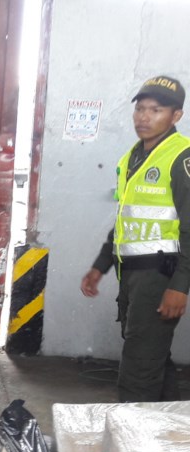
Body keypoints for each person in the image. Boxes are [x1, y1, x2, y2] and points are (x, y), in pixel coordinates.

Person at [80, 75, 190, 403]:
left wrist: (179, 286)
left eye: (155, 110)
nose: (144, 117)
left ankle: (129, 447)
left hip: (161, 275)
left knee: (138, 368)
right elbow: (126, 220)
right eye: (140, 109)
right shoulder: (133, 157)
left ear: (176, 116)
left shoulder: (181, 158)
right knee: (151, 357)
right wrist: (101, 265)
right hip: (132, 274)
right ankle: (170, 437)